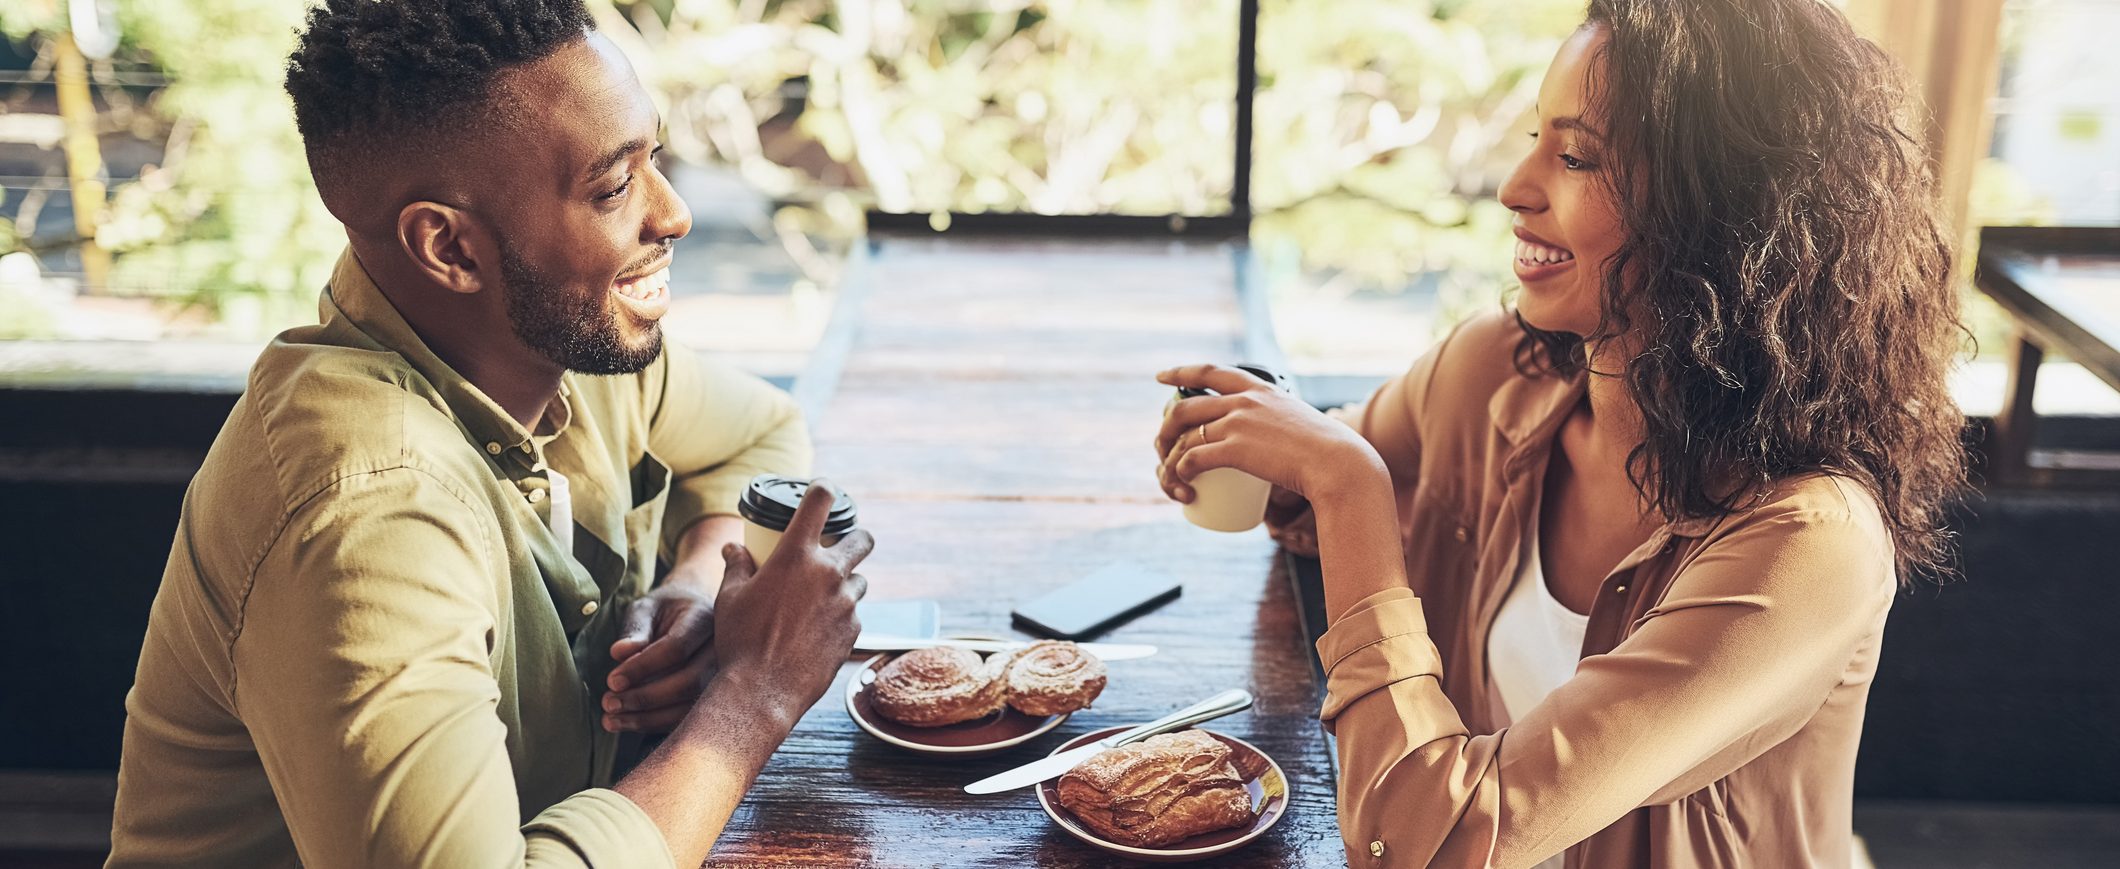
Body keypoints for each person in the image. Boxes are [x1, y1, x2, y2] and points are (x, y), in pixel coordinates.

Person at [1156, 0, 1965, 865]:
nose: (1516, 186)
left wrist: (1349, 485)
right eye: (1538, 137)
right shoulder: (1496, 367)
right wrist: (1263, 453)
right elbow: (1321, 485)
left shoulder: (1809, 544)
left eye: (1576, 156)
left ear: (1726, 215)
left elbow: (1424, 840)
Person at [107, 2, 871, 866]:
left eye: (653, 157)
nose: (675, 214)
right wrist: (753, 697)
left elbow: (759, 433)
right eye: (614, 187)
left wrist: (696, 587)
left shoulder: (550, 337)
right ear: (450, 249)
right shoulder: (367, 515)